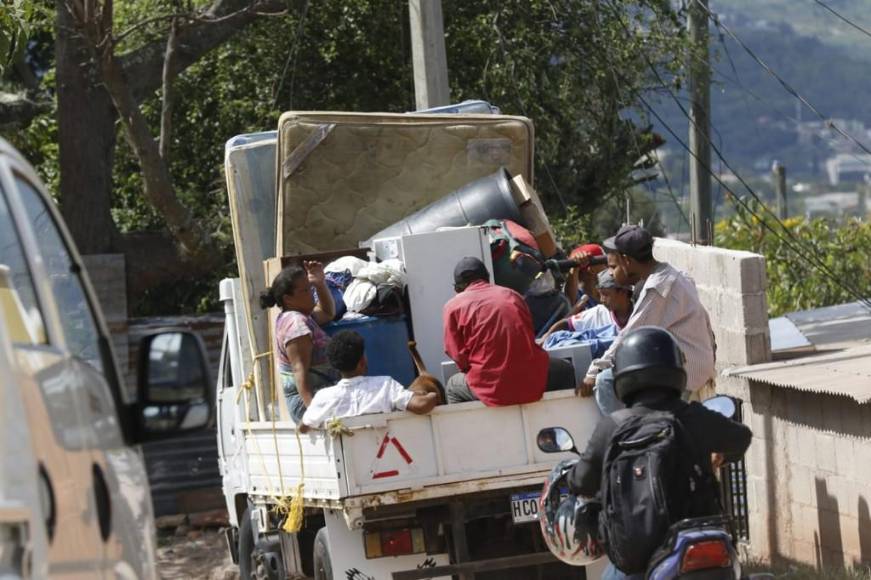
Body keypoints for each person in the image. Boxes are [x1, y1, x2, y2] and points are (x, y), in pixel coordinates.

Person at [566, 326, 752, 580]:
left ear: (622, 375)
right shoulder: (693, 416)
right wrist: (720, 455)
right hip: (702, 540)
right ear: (675, 368)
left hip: (642, 552)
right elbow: (742, 437)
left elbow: (581, 480)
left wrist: (576, 479)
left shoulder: (614, 425)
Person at [577, 225, 716, 414]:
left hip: (685, 371)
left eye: (612, 267)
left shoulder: (658, 288)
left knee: (606, 380)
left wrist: (593, 372)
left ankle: (626, 436)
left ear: (626, 261)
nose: (610, 274)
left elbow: (629, 336)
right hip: (696, 365)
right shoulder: (674, 274)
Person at [443, 257, 575, 406]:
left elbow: (457, 354)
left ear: (457, 288)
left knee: (452, 387)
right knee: (567, 370)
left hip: (490, 388)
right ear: (487, 278)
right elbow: (527, 336)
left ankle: (470, 428)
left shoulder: (453, 306)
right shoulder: (512, 295)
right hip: (531, 380)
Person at [299, 331, 438, 432]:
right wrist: (433, 395)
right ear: (362, 362)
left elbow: (304, 427)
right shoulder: (384, 385)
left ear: (335, 366)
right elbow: (421, 405)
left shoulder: (323, 397)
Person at [260, 261, 339, 423]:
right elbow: (299, 370)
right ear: (288, 299)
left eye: (309, 288)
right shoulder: (295, 324)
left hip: (319, 395)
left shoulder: (300, 316)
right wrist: (314, 413)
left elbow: (327, 312)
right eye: (305, 290)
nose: (311, 294)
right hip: (307, 402)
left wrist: (319, 284)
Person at [541, 269, 633, 341]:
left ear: (623, 292)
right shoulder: (597, 313)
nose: (602, 299)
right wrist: (545, 338)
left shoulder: (642, 309)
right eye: (600, 294)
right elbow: (566, 324)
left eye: (605, 294)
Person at [564, 243, 607, 314]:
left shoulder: (608, 292)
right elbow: (570, 299)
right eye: (605, 264)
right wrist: (575, 268)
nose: (609, 268)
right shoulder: (579, 299)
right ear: (592, 270)